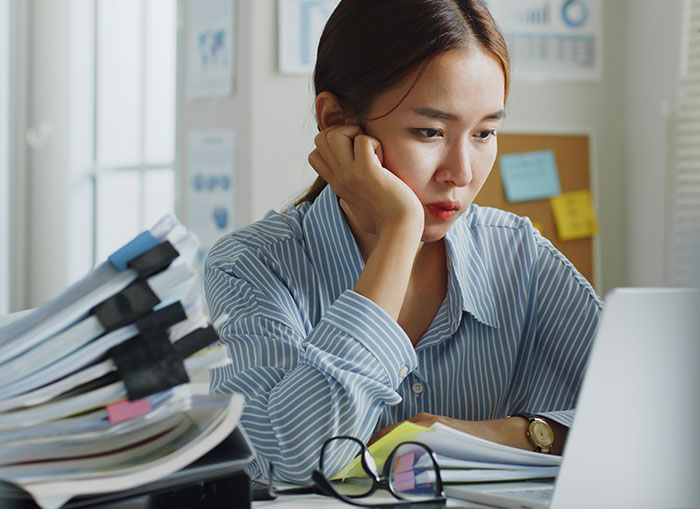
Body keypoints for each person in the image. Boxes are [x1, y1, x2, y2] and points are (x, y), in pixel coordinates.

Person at [205, 0, 602, 484]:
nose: (461, 172)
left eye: (485, 133)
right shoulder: (252, 266)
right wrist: (399, 229)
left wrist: (497, 434)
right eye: (429, 131)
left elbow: (658, 419)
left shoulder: (520, 255)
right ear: (335, 121)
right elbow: (289, 461)